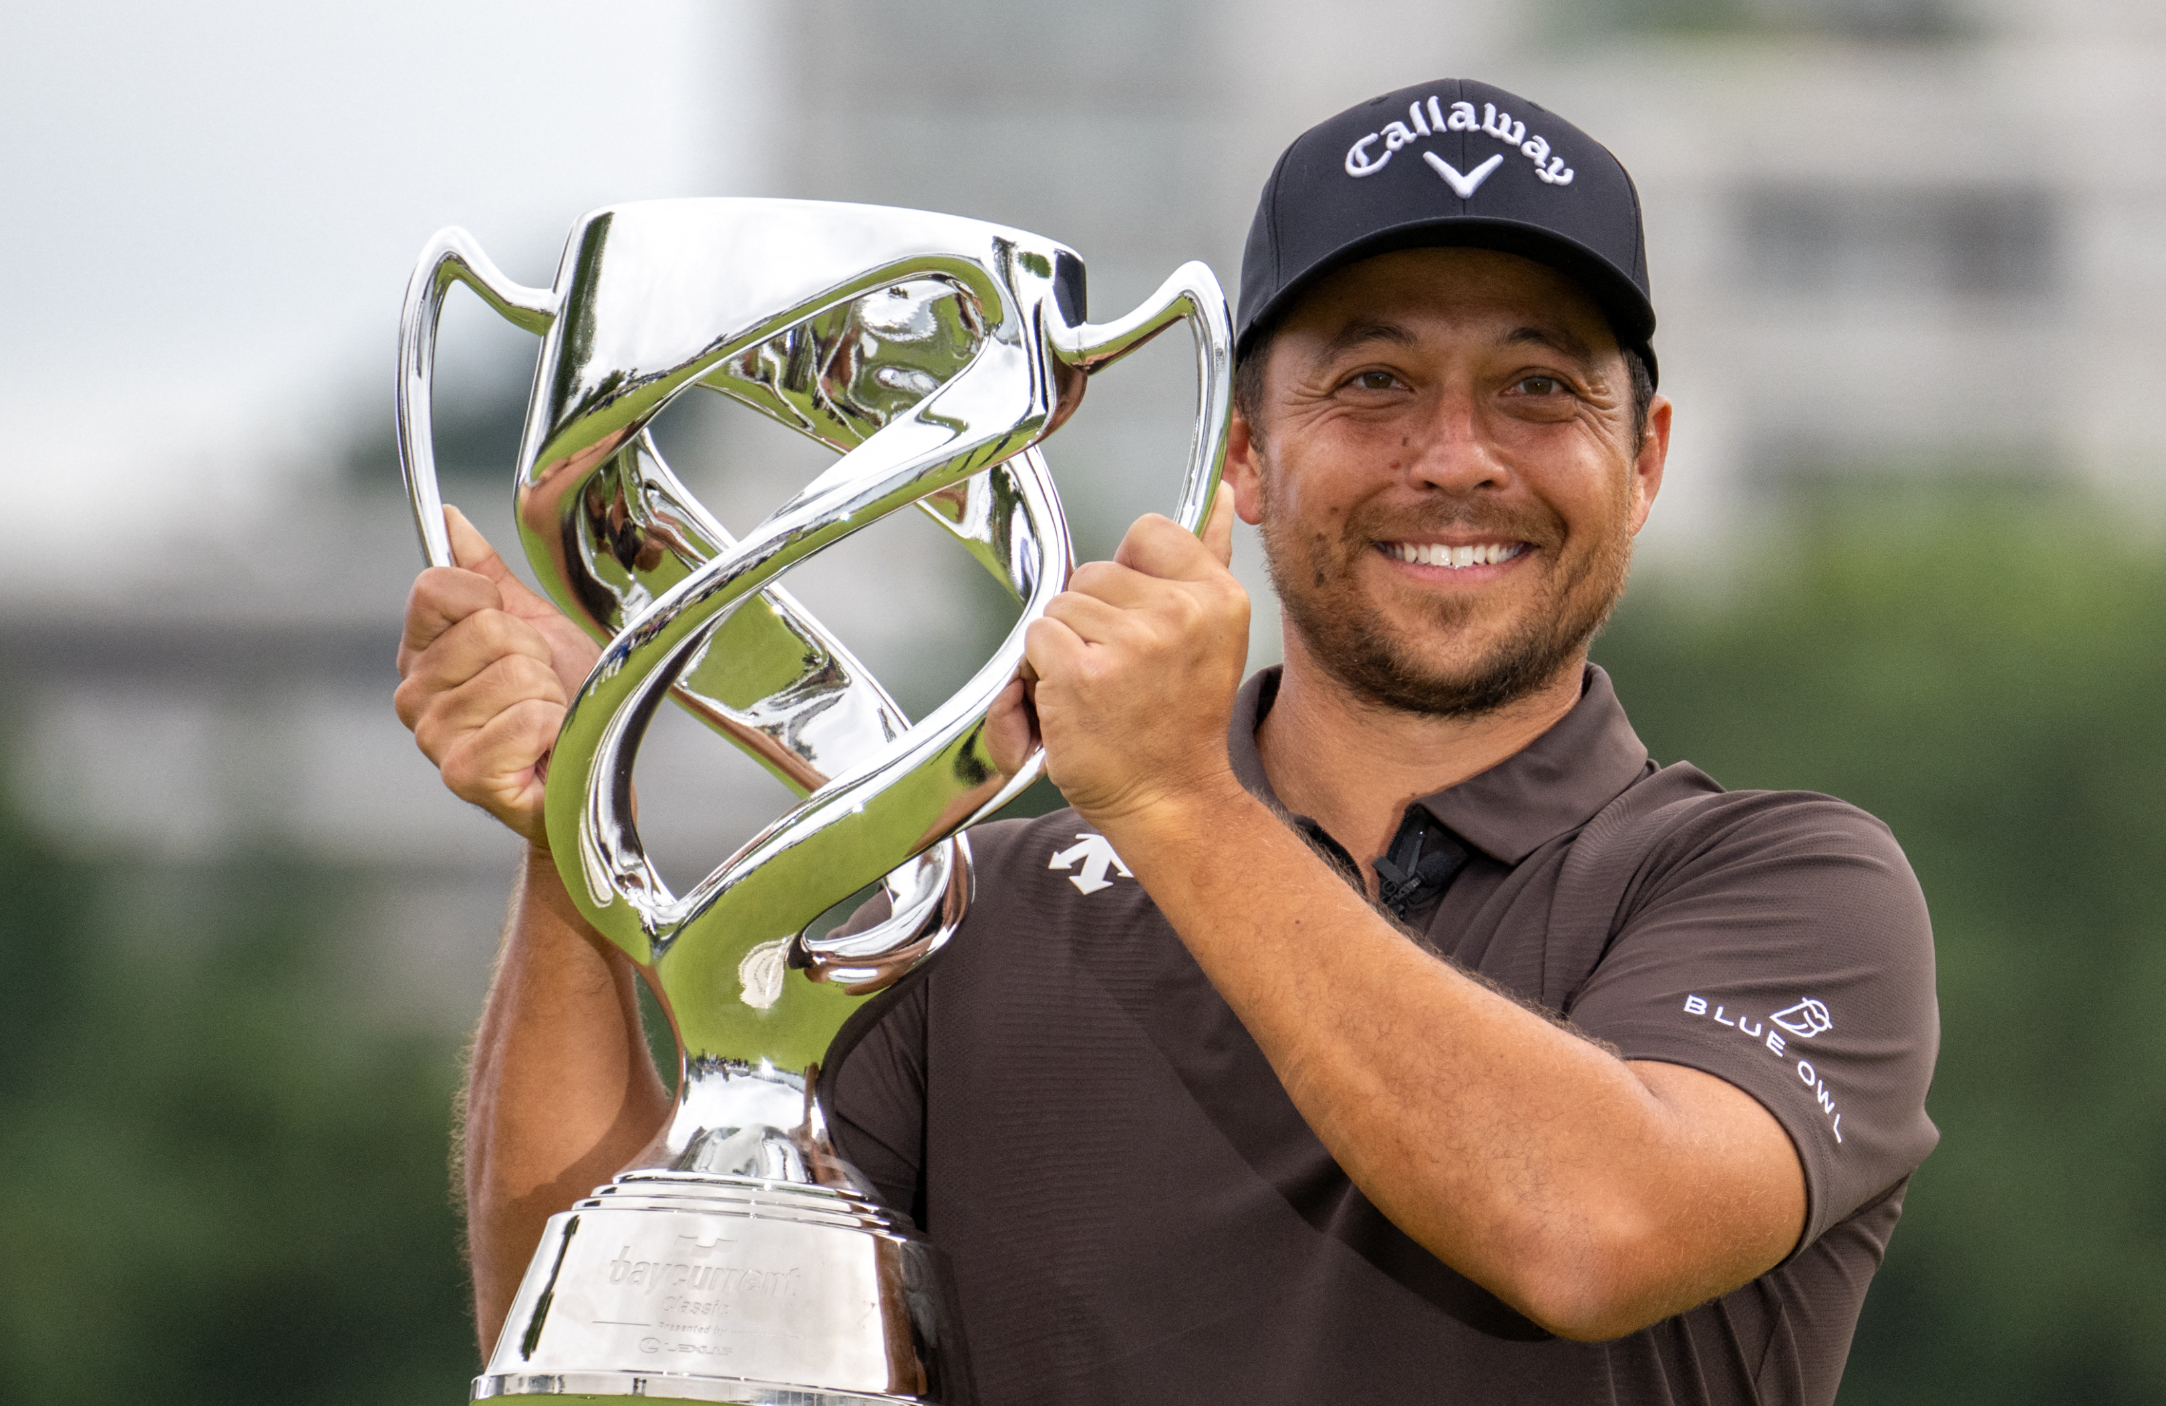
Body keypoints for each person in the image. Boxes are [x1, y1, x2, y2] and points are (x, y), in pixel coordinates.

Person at [395, 79, 1938, 1406]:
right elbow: (621, 1331)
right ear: (1250, 454)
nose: (1456, 457)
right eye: (1375, 382)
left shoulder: (1781, 884)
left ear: (1643, 459)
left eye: (1539, 387)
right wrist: (573, 826)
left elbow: (1589, 1225)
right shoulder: (959, 916)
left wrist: (1176, 799)